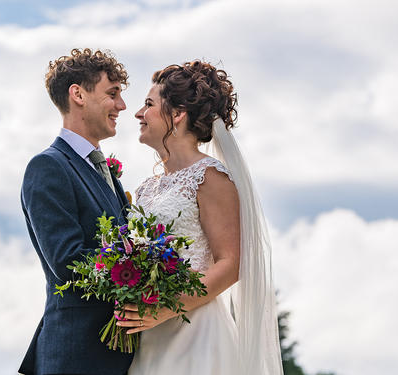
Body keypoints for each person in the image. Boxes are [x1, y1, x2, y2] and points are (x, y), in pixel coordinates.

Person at [117, 61, 284, 374]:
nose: (139, 113)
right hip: (150, 336)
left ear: (177, 114)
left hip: (196, 333)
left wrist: (165, 308)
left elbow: (230, 264)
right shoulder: (145, 188)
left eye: (149, 104)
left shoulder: (211, 177)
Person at [18, 48, 133, 375]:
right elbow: (68, 261)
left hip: (118, 354)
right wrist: (140, 273)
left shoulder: (106, 171)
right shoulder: (48, 167)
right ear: (78, 94)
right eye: (112, 94)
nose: (122, 106)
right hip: (76, 355)